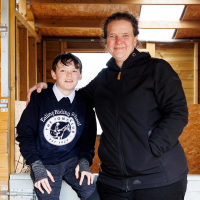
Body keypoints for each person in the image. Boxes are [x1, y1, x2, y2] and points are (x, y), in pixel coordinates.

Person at [27, 12, 188, 200]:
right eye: (112, 35)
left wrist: (150, 149)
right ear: (106, 40)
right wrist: (50, 85)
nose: (119, 41)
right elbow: (76, 98)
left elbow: (178, 113)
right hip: (113, 182)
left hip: (159, 179)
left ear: (136, 39)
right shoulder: (104, 78)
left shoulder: (157, 69)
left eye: (125, 35)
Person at [17, 53, 98, 200]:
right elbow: (24, 134)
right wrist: (37, 166)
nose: (69, 75)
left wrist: (84, 162)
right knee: (47, 195)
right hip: (44, 162)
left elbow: (88, 141)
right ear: (53, 74)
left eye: (74, 71)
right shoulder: (39, 98)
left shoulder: (85, 104)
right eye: (63, 70)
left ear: (80, 75)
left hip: (73, 162)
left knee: (93, 194)